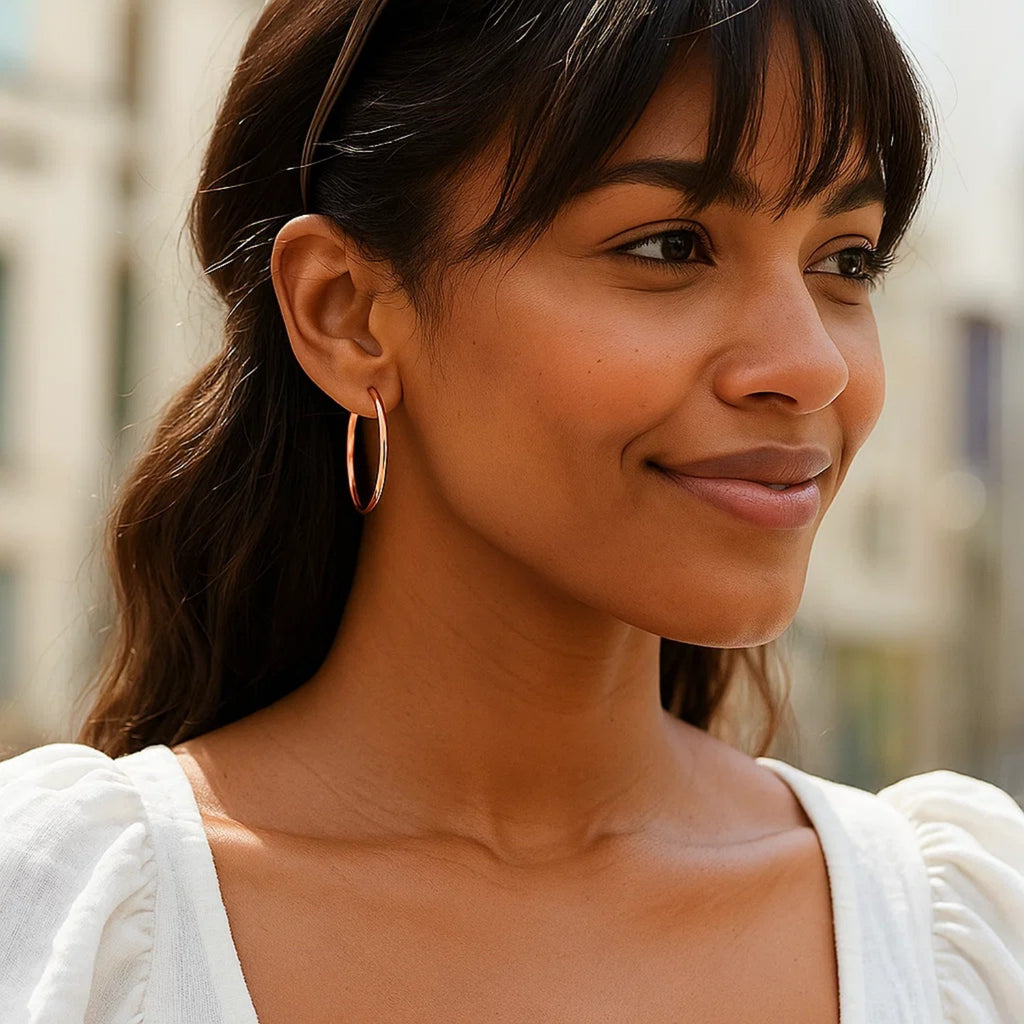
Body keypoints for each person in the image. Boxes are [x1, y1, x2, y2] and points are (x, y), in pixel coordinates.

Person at [2, 0, 1022, 1020]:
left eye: (845, 261)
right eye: (669, 247)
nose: (807, 366)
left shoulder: (956, 938)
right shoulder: (65, 929)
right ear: (346, 313)